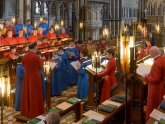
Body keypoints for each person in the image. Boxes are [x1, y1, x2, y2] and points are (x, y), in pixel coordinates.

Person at [21, 42, 44, 118]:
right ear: (35, 47)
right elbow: (40, 66)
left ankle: (27, 111)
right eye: (37, 46)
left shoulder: (24, 56)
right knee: (35, 94)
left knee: (28, 93)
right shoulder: (36, 57)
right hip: (35, 77)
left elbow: (23, 65)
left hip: (27, 76)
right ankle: (36, 111)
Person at [142, 46, 165, 121]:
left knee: (153, 105)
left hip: (155, 88)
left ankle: (151, 120)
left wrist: (146, 76)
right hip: (161, 86)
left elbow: (155, 79)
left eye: (149, 52)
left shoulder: (156, 63)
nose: (148, 53)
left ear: (152, 53)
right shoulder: (162, 59)